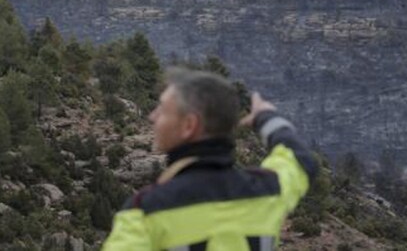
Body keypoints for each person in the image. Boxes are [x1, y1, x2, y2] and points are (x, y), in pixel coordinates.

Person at [103, 67, 317, 250]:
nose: (152, 116)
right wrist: (266, 116)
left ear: (189, 125)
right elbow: (299, 159)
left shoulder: (145, 211)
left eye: (162, 109)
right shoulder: (268, 191)